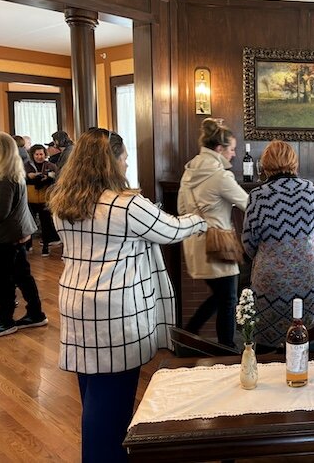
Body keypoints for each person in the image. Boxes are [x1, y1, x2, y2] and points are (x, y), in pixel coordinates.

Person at [48, 127, 207, 463]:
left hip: (76, 304)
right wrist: (200, 219)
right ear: (111, 162)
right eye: (123, 159)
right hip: (115, 310)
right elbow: (171, 230)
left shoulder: (63, 202)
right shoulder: (126, 205)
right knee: (113, 401)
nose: (126, 165)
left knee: (91, 391)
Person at [242, 140, 314, 351]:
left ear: (265, 164)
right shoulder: (311, 190)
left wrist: (271, 255)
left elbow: (248, 241)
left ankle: (266, 368)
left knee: (266, 335)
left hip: (271, 275)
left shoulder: (258, 196)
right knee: (309, 332)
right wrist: (306, 252)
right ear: (293, 162)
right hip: (308, 271)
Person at [177, 118, 248, 348]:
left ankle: (188, 337)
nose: (234, 154)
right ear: (219, 149)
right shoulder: (220, 176)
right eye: (232, 149)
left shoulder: (189, 173)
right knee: (228, 299)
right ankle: (226, 348)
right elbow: (248, 204)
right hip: (218, 246)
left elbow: (181, 210)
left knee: (220, 297)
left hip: (195, 245)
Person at [0, 133, 47, 337]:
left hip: (7, 236)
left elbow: (1, 211)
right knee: (21, 276)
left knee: (4, 279)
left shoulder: (4, 177)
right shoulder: (12, 172)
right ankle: (35, 313)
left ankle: (5, 320)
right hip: (16, 233)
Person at [25, 144, 60, 256]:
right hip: (30, 199)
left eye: (41, 154)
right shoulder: (26, 166)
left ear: (45, 154)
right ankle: (28, 244)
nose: (39, 156)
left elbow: (57, 180)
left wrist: (49, 178)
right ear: (32, 155)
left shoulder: (51, 165)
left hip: (46, 199)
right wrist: (29, 176)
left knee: (46, 224)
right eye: (37, 154)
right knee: (29, 223)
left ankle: (45, 247)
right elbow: (21, 178)